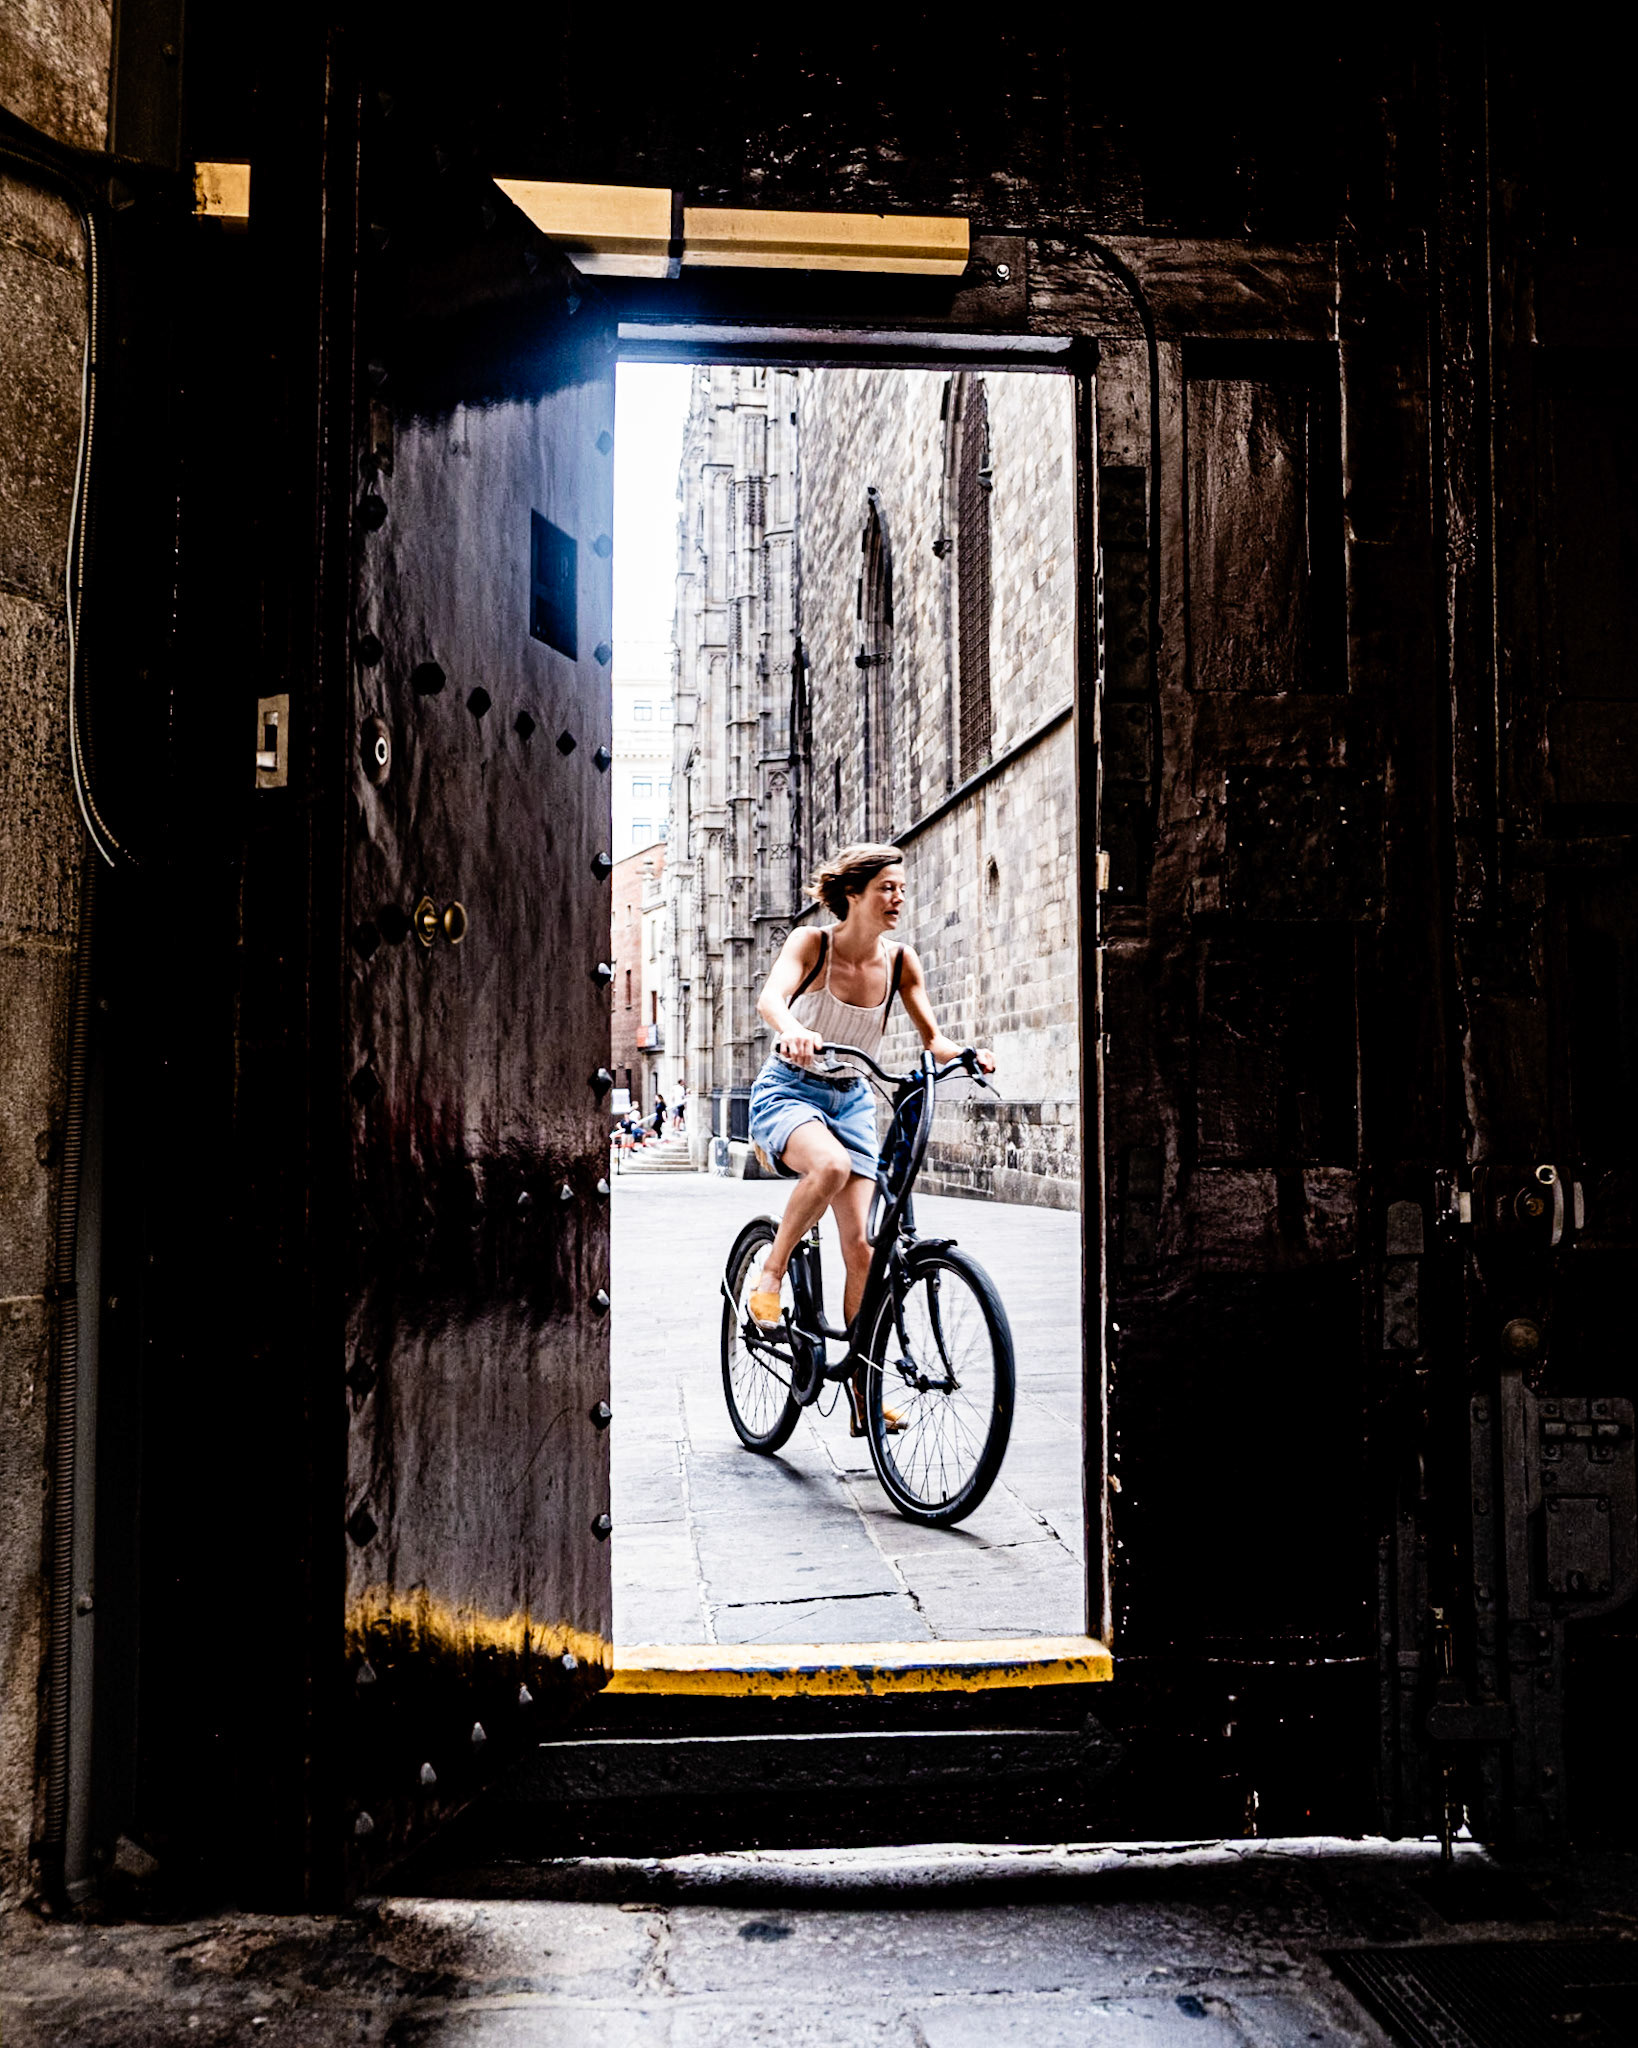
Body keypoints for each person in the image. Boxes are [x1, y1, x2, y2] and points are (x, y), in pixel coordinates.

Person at [746, 842, 994, 1432]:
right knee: (827, 1168)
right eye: (886, 887)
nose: (898, 898)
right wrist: (794, 1029)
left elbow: (932, 1038)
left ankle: (862, 1389)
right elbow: (770, 999)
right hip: (790, 1089)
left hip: (853, 1101)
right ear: (853, 893)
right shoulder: (813, 945)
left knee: (862, 1250)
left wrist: (964, 1054)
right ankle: (771, 1275)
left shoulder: (903, 961)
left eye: (901, 888)